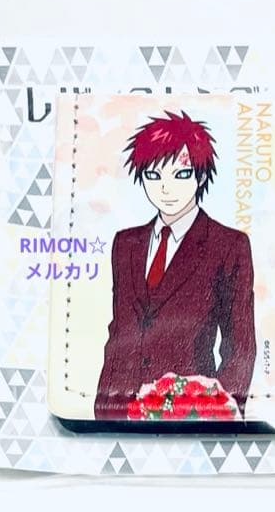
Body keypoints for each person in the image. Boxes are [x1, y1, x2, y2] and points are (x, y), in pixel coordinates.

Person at [95, 111, 256, 419]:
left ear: (201, 176)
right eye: (153, 176)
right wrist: (103, 408)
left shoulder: (228, 245)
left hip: (190, 413)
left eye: (181, 174)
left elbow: (240, 345)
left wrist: (217, 413)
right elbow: (120, 331)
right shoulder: (126, 244)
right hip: (118, 412)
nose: (165, 189)